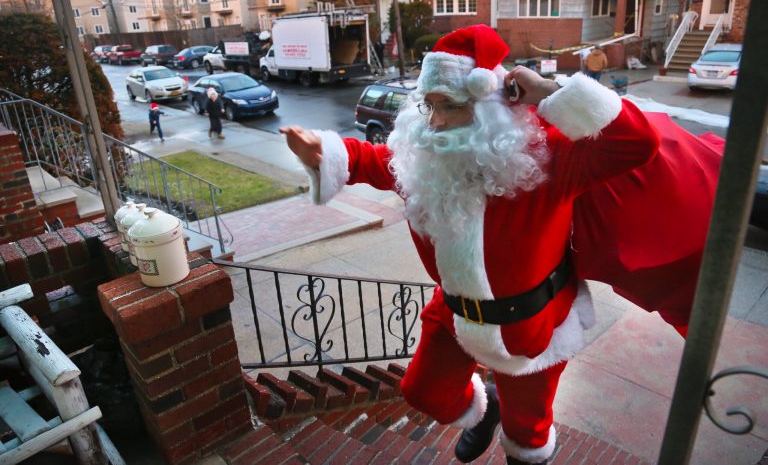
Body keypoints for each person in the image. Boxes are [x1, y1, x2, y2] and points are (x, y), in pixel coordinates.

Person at [281, 25, 660, 465]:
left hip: (534, 326)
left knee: (528, 433)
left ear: (490, 107)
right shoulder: (423, 158)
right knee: (423, 393)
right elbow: (369, 158)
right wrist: (320, 153)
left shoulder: (550, 158)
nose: (436, 121)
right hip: (454, 316)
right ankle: (486, 409)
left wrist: (549, 91)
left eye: (452, 106)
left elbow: (637, 142)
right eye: (430, 105)